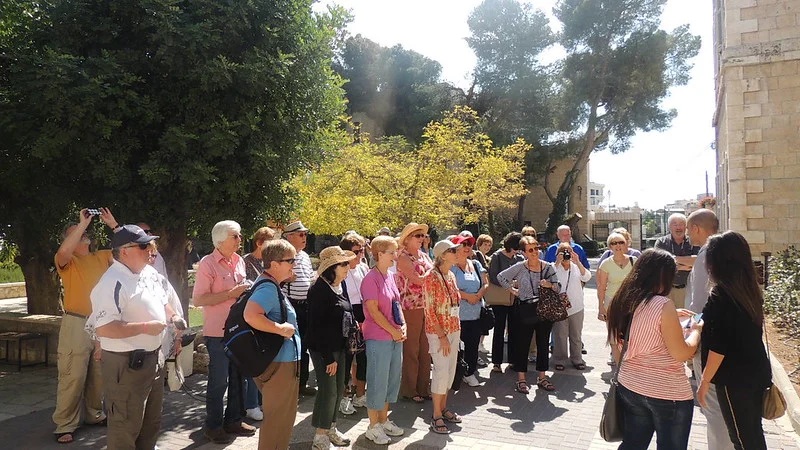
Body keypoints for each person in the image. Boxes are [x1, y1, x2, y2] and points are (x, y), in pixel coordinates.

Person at [89, 225, 184, 449]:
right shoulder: (111, 282)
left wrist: (173, 318)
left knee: (151, 423)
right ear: (124, 251)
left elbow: (163, 301)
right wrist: (144, 327)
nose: (150, 250)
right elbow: (104, 328)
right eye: (143, 245)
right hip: (125, 364)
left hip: (153, 358)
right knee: (125, 427)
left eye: (150, 245)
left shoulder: (148, 272)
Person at [606, 248, 702, 449]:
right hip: (667, 391)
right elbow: (682, 353)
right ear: (663, 276)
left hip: (630, 384)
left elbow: (621, 345)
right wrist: (695, 331)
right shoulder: (662, 304)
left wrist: (671, 316)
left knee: (633, 443)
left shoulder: (620, 300)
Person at [698, 231, 771, 450]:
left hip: (734, 380)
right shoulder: (747, 289)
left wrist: (704, 381)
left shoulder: (721, 294)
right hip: (755, 373)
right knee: (752, 434)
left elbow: (719, 347)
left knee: (743, 439)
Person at [52, 208, 119, 444]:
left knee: (98, 375)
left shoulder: (101, 256)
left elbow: (128, 251)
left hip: (100, 323)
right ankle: (64, 424)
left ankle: (94, 414)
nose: (84, 235)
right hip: (76, 322)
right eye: (77, 234)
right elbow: (63, 250)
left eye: (84, 232)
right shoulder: (67, 262)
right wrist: (81, 224)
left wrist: (114, 225)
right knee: (73, 375)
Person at [192, 220, 255, 443]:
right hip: (218, 332)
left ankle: (234, 420)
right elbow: (198, 299)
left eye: (239, 235)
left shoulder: (239, 261)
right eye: (235, 236)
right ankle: (214, 425)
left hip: (240, 330)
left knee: (240, 378)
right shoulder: (208, 264)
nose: (240, 240)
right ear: (220, 241)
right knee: (219, 381)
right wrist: (232, 293)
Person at [242, 239, 301, 449]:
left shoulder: (270, 283)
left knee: (281, 420)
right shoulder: (267, 287)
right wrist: (281, 329)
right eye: (290, 260)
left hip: (279, 360)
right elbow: (251, 314)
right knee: (278, 421)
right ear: (274, 263)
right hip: (279, 364)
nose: (294, 264)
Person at [682, 209, 732, 449]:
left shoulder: (706, 254)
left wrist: (692, 330)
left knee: (710, 401)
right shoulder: (724, 252)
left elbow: (700, 301)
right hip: (725, 334)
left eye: (689, 229)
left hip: (707, 332)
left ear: (696, 228)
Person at [306, 247, 357, 449]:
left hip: (340, 347)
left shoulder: (339, 286)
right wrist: (329, 358)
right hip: (324, 349)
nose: (348, 267)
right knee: (329, 391)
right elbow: (316, 327)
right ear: (332, 267)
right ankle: (320, 436)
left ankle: (331, 429)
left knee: (337, 389)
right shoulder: (319, 290)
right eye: (343, 264)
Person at [497, 236, 561, 394]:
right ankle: (521, 379)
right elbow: (501, 277)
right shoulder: (520, 267)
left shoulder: (547, 267)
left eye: (537, 248)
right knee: (522, 345)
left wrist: (550, 285)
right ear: (524, 252)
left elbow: (558, 287)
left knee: (543, 344)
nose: (535, 252)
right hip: (525, 309)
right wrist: (514, 291)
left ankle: (542, 377)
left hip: (544, 309)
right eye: (531, 250)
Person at [360, 235, 407, 445]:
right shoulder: (370, 278)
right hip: (378, 338)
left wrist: (403, 326)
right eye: (392, 252)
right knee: (378, 380)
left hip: (394, 337)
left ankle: (383, 419)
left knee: (391, 381)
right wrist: (393, 331)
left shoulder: (389, 275)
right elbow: (373, 311)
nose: (395, 255)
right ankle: (373, 426)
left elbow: (397, 305)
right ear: (380, 254)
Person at [423, 240, 463, 434]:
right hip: (439, 333)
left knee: (450, 371)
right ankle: (436, 415)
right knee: (440, 372)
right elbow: (429, 311)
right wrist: (442, 336)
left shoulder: (451, 275)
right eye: (453, 250)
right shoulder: (431, 277)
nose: (457, 253)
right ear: (442, 255)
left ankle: (444, 408)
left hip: (454, 328)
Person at [394, 222, 433, 403]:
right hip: (410, 308)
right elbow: (417, 280)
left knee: (426, 349)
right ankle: (410, 389)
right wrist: (431, 276)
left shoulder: (424, 255)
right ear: (407, 239)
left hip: (427, 306)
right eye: (417, 236)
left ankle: (423, 388)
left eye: (423, 236)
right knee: (411, 349)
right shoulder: (402, 257)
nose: (422, 239)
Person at [240, 226, 275, 422]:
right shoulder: (248, 261)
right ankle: (251, 404)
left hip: (268, 316)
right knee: (254, 362)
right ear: (260, 243)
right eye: (269, 242)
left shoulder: (268, 262)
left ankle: (261, 400)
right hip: (253, 317)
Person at [281, 220, 317, 396]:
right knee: (293, 345)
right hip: (291, 305)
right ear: (290, 237)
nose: (305, 238)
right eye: (301, 234)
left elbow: (310, 278)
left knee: (304, 344)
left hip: (306, 305)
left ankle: (301, 384)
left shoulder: (304, 256)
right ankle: (291, 385)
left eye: (305, 234)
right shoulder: (285, 255)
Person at [450, 233, 487, 387]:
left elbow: (486, 283)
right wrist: (466, 296)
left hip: (475, 314)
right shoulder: (451, 266)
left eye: (469, 244)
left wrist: (478, 295)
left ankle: (469, 372)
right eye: (463, 244)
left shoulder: (476, 265)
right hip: (456, 316)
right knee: (455, 348)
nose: (467, 248)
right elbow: (450, 287)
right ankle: (454, 374)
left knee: (472, 346)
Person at [597, 232, 637, 364]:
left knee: (630, 337)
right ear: (610, 247)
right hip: (612, 304)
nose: (617, 245)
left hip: (630, 305)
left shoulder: (634, 261)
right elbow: (601, 287)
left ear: (626, 244)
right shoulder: (605, 264)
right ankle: (619, 368)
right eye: (614, 243)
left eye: (621, 242)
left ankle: (629, 365)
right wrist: (601, 308)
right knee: (614, 338)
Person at [487, 232, 524, 373]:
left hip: (515, 299)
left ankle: (513, 360)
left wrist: (517, 283)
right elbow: (494, 277)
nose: (517, 251)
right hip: (500, 299)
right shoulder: (497, 256)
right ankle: (497, 362)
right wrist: (509, 284)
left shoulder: (519, 258)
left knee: (514, 330)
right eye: (516, 247)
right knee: (499, 330)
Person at [340, 234, 369, 411]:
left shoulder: (363, 268)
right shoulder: (341, 271)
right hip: (347, 315)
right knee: (347, 357)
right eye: (356, 251)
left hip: (363, 313)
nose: (360, 255)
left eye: (362, 250)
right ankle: (344, 397)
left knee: (363, 357)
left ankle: (360, 394)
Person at [552, 242, 592, 371]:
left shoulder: (576, 267)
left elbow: (586, 277)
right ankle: (559, 359)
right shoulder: (553, 267)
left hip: (576, 306)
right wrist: (558, 262)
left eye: (568, 251)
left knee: (576, 335)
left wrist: (578, 261)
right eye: (563, 251)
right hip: (559, 308)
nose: (566, 254)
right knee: (560, 335)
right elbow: (547, 276)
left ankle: (577, 359)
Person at [654, 213, 700, 309]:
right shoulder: (661, 242)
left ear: (686, 226)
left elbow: (698, 261)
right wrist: (686, 265)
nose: (678, 227)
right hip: (667, 290)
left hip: (689, 289)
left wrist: (672, 259)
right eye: (675, 224)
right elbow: (660, 264)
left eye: (681, 224)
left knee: (690, 318)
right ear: (669, 227)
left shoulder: (694, 240)